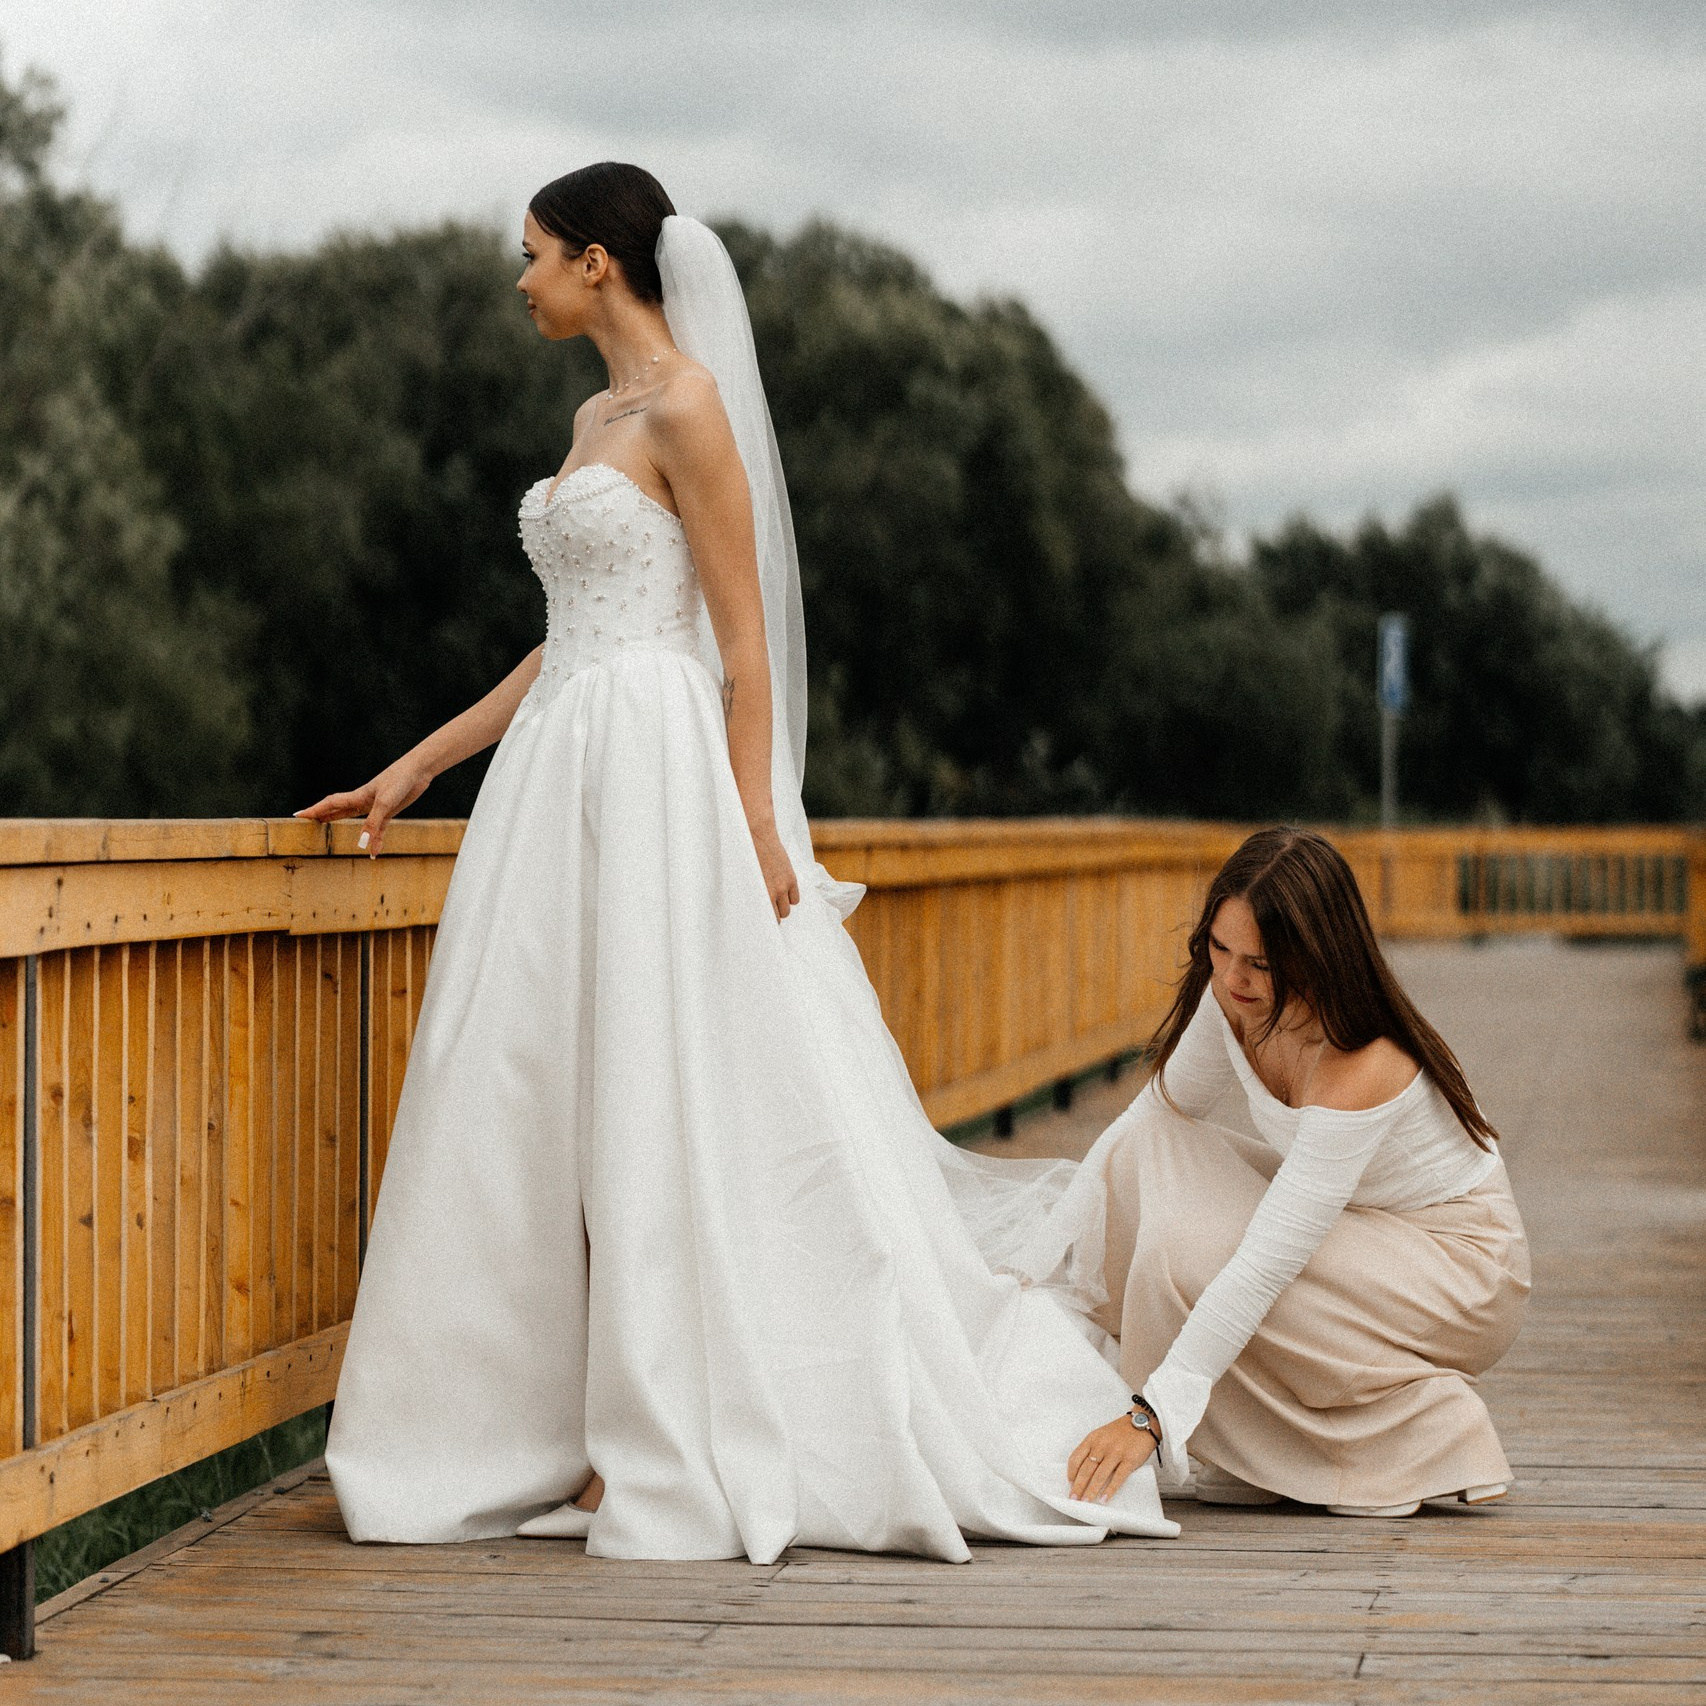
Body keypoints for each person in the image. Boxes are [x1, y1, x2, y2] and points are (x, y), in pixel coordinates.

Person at [300, 162, 1175, 1563]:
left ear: (597, 261)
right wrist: (417, 766)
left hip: (658, 766)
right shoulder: (591, 415)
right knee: (529, 1070)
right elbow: (567, 636)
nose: (520, 281)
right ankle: (538, 1418)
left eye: (533, 254)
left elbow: (742, 642)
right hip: (558, 768)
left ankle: (660, 1426)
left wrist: (756, 825)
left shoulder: (689, 406)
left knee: (659, 1071)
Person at [1048, 827, 1530, 1518]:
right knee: (1141, 1154)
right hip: (1356, 1232)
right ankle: (1258, 1445)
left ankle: (1430, 1425)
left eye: (1261, 963)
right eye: (1219, 949)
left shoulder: (1360, 1061)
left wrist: (1152, 1415)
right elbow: (1153, 1117)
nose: (1232, 979)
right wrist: (1048, 1256)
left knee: (1186, 1258)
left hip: (1459, 1268)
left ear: (1317, 956)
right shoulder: (1234, 1001)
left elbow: (1264, 1264)